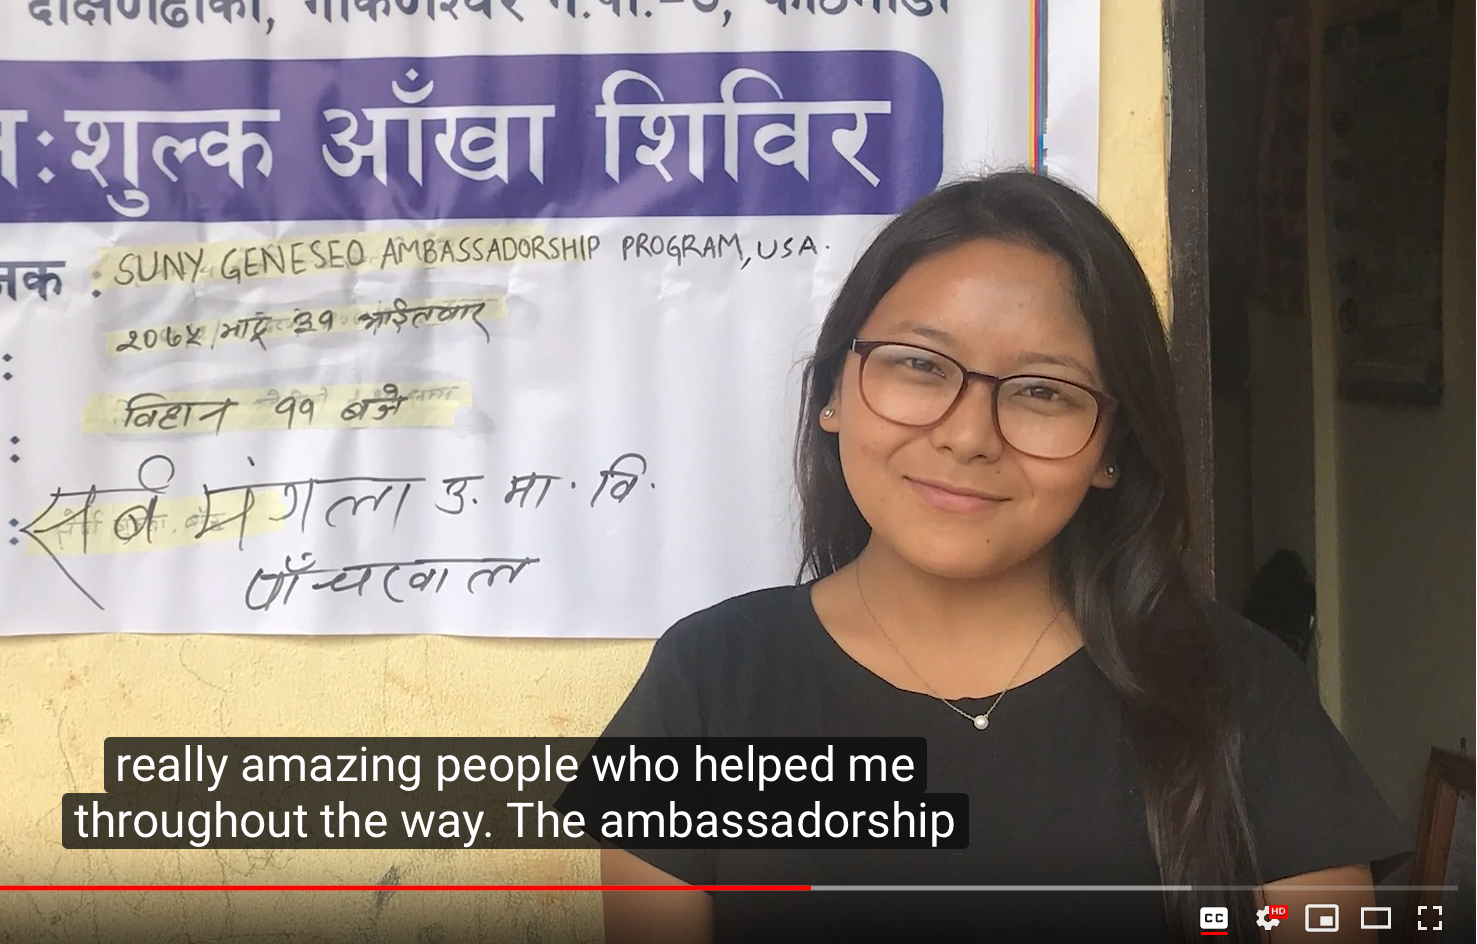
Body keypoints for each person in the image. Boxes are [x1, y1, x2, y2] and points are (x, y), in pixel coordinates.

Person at [597, 172, 1410, 943]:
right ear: (834, 393)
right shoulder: (708, 684)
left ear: (1111, 449)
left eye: (1042, 391)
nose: (968, 436)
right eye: (920, 365)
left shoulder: (1240, 692)